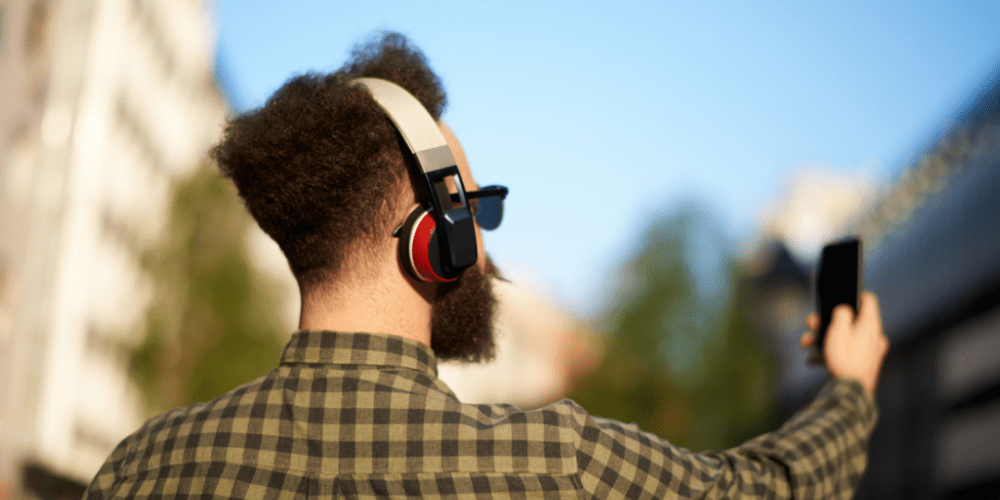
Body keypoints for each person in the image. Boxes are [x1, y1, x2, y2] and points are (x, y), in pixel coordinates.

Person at [83, 32, 889, 499]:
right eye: (476, 208)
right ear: (439, 235)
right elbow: (772, 488)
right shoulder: (550, 463)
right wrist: (850, 389)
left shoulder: (142, 468)